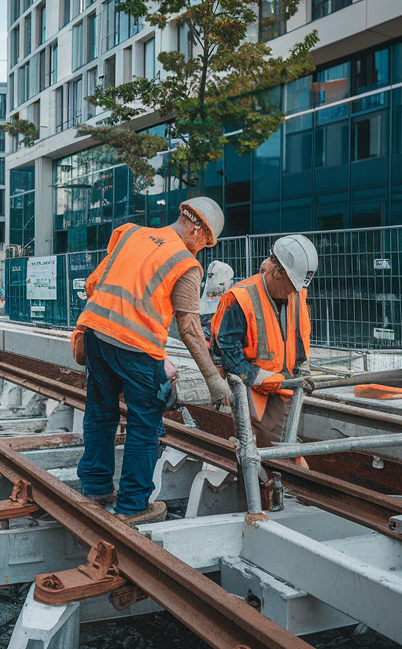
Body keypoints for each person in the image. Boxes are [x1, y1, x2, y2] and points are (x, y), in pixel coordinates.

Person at [73, 197, 233, 524]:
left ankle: (95, 487)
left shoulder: (129, 234)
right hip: (135, 349)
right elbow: (189, 329)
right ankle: (133, 506)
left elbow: (94, 284)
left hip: (96, 334)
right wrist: (214, 380)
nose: (202, 249)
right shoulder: (186, 264)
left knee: (101, 412)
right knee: (145, 425)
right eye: (205, 241)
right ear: (196, 227)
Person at [211, 235, 317, 445]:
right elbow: (226, 351)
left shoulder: (297, 294)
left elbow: (299, 336)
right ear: (278, 272)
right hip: (250, 391)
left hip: (283, 387)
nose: (295, 291)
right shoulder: (241, 298)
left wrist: (302, 368)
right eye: (292, 284)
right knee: (258, 451)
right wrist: (257, 376)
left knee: (278, 450)